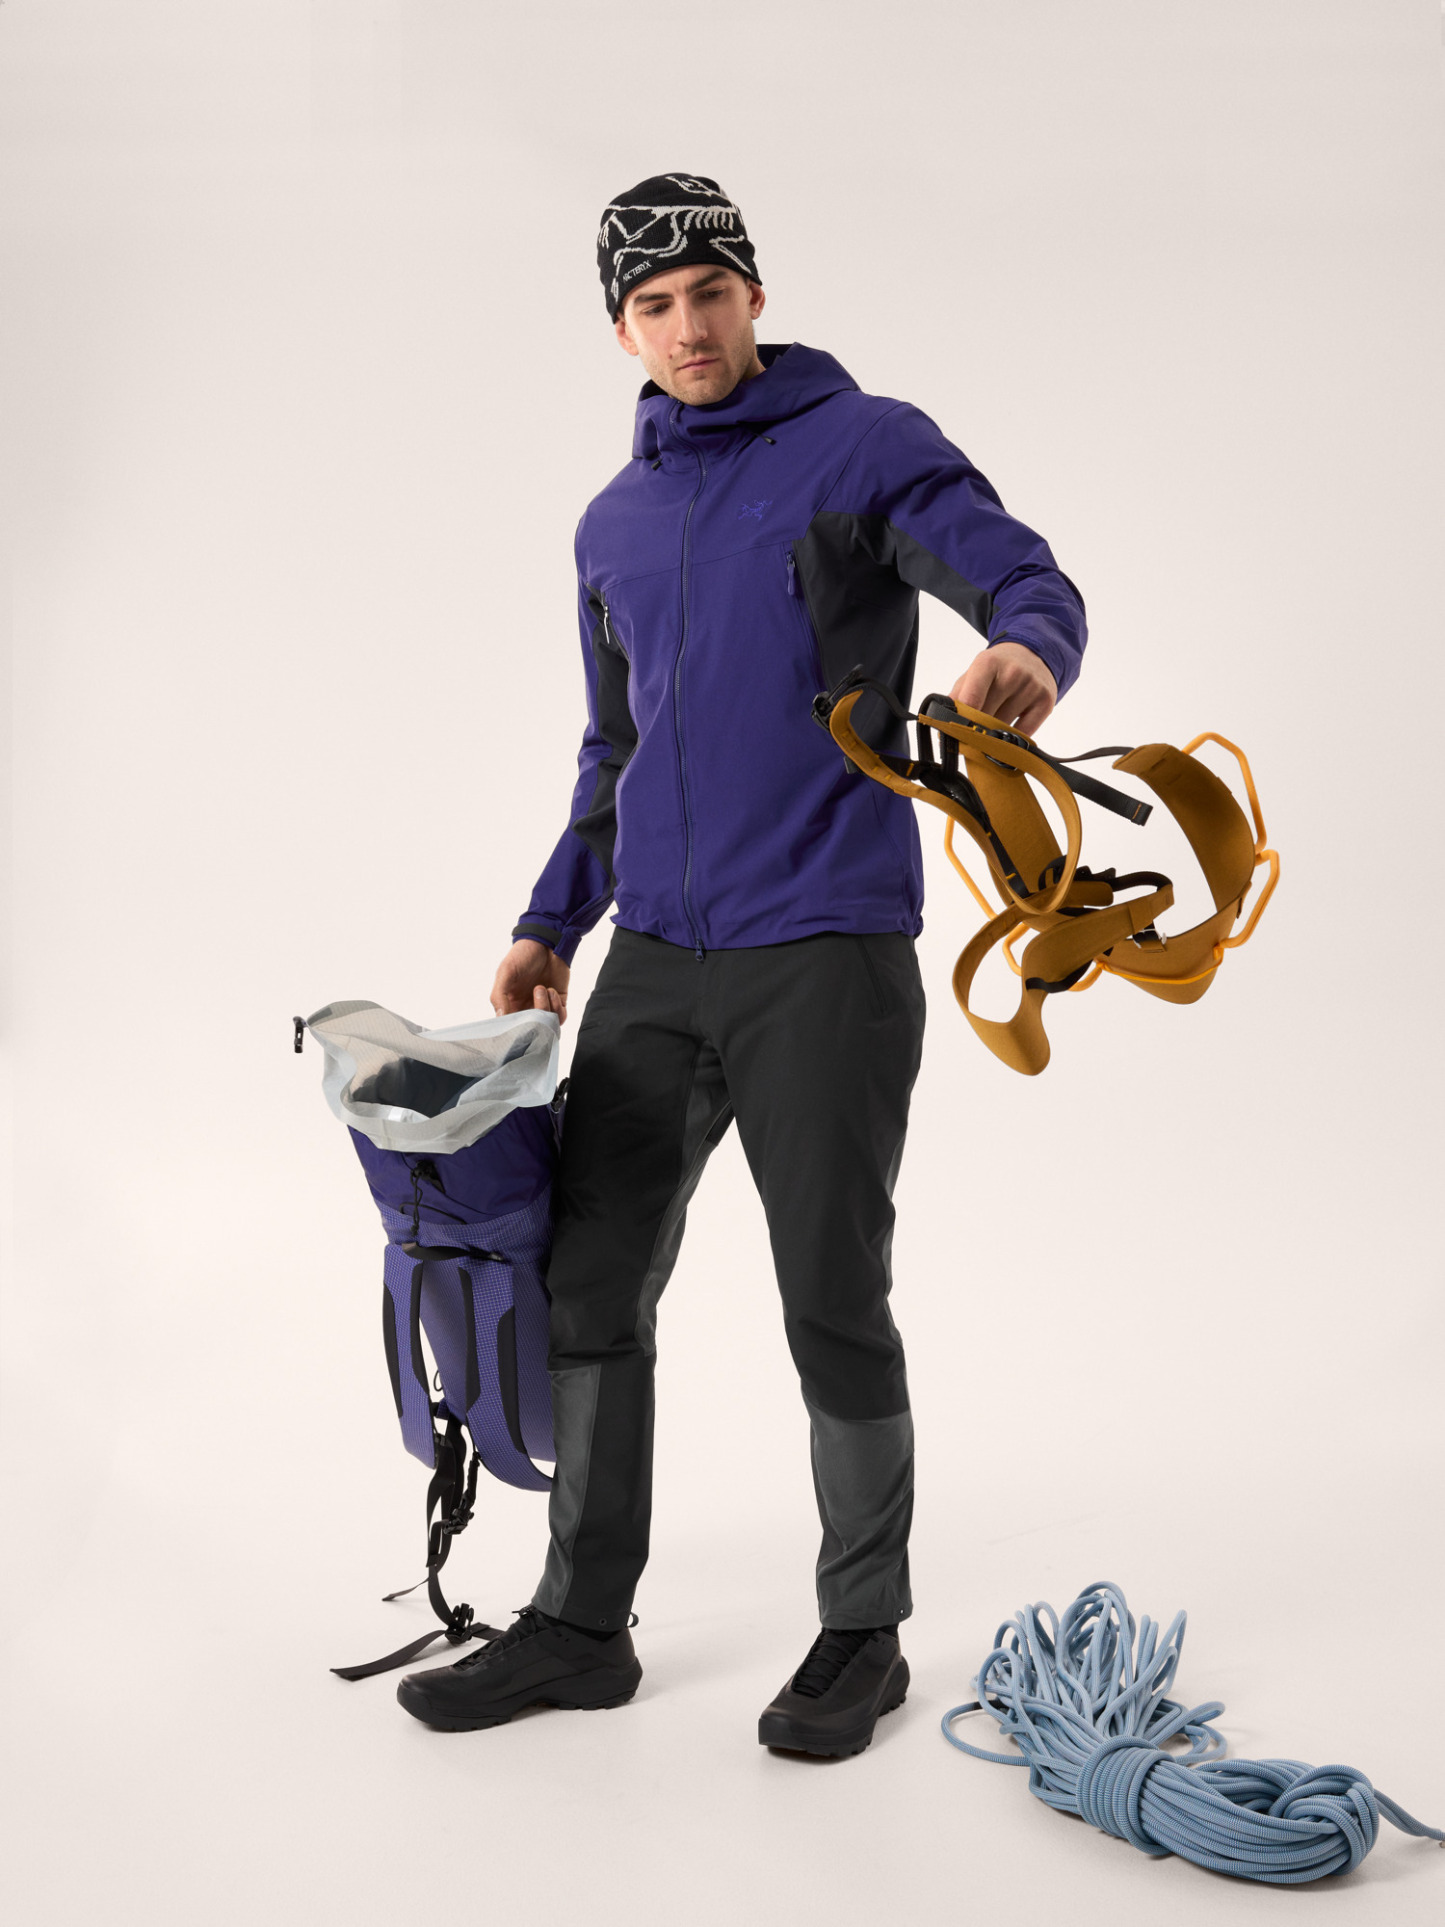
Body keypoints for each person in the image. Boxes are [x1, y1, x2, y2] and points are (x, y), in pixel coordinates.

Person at [396, 173, 1085, 1752]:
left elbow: (1020, 574)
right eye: (653, 306)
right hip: (655, 962)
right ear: (620, 331)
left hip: (824, 949)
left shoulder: (862, 446)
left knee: (829, 1292)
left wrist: (1025, 648)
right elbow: (615, 746)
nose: (687, 328)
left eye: (709, 293)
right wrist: (550, 920)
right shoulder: (613, 521)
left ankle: (861, 1632)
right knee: (587, 1281)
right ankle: (581, 1626)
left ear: (753, 296)